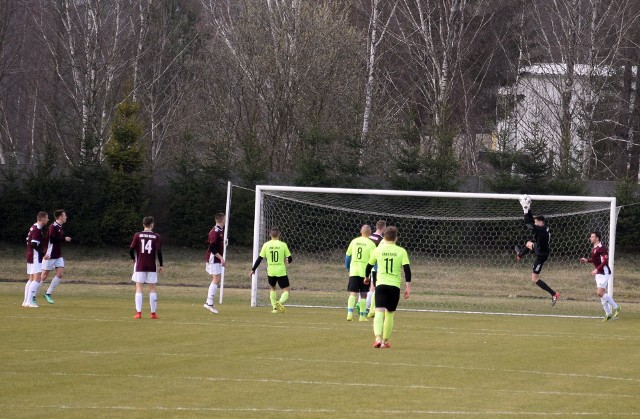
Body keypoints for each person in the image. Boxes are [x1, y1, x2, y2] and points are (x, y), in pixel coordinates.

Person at [365, 226, 411, 348]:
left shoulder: (378, 250)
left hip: (381, 285)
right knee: (389, 314)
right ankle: (385, 341)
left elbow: (369, 266)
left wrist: (366, 278)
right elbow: (407, 270)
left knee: (379, 311)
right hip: (394, 287)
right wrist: (408, 287)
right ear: (396, 238)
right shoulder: (401, 251)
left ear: (384, 237)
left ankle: (378, 338)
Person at [514, 195, 560, 305]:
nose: (535, 223)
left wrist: (525, 210)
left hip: (541, 255)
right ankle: (520, 255)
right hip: (539, 247)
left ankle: (554, 294)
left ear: (541, 223)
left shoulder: (541, 230)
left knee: (534, 279)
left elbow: (528, 224)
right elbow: (531, 221)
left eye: (536, 222)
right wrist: (528, 208)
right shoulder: (543, 227)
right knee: (529, 244)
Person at [580, 231, 621, 322]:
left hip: (604, 272)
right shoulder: (594, 248)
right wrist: (587, 260)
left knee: (599, 293)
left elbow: (605, 261)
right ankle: (608, 314)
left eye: (592, 237)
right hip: (599, 273)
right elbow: (596, 261)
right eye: (590, 237)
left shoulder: (601, 248)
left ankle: (616, 307)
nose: (590, 238)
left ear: (597, 238)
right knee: (601, 294)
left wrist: (597, 269)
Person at [250, 227, 292, 313]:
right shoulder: (283, 245)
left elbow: (259, 258)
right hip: (281, 271)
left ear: (270, 235)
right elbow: (290, 258)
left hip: (271, 272)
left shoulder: (266, 245)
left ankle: (274, 308)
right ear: (279, 235)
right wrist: (288, 260)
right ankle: (280, 302)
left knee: (272, 288)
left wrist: (253, 269)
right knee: (286, 290)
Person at [129, 216, 164, 319]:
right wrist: (161, 265)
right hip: (151, 266)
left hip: (140, 265)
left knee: (139, 288)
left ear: (143, 225)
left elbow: (131, 249)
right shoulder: (156, 236)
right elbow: (159, 252)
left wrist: (133, 258)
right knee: (152, 289)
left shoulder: (137, 235)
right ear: (152, 225)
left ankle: (138, 313)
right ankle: (153, 314)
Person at [345, 225, 376, 321]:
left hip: (354, 270)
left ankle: (349, 313)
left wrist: (347, 267)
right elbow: (374, 259)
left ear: (361, 231)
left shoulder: (354, 241)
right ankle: (362, 316)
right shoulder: (371, 244)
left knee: (353, 293)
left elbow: (348, 256)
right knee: (363, 294)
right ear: (370, 233)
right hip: (365, 273)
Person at [41, 209, 72, 304]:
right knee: (44, 276)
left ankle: (48, 293)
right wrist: (64, 239)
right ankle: (32, 294)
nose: (66, 217)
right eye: (65, 215)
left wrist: (63, 239)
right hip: (50, 255)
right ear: (60, 217)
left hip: (58, 255)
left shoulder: (60, 227)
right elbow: (52, 239)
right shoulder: (53, 227)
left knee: (60, 274)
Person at [23, 212, 49, 308]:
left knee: (31, 279)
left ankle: (25, 301)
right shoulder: (37, 229)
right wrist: (43, 254)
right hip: (34, 256)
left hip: (30, 255)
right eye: (46, 218)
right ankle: (29, 302)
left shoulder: (33, 227)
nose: (48, 220)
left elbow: (28, 240)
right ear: (42, 219)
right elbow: (34, 244)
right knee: (37, 279)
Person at [203, 213, 225, 314]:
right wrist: (221, 258)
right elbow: (212, 248)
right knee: (216, 279)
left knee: (217, 279)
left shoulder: (220, 230)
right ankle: (209, 303)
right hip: (213, 258)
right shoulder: (214, 232)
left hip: (216, 258)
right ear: (222, 220)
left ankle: (209, 302)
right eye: (224, 219)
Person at [366, 219, 386, 318]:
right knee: (373, 287)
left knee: (365, 286)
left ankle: (362, 306)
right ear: (384, 228)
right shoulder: (381, 240)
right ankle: (367, 308)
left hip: (365, 264)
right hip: (375, 265)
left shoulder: (369, 236)